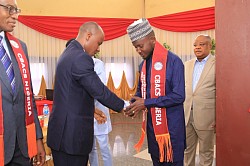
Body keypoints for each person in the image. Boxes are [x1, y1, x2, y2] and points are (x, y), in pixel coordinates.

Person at [47, 22, 125, 166]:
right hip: (71, 139)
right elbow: (99, 90)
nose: (98, 49)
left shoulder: (69, 51)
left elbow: (72, 96)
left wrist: (92, 110)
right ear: (88, 36)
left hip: (62, 136)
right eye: (98, 43)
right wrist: (125, 106)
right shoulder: (80, 58)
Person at [125, 18, 186, 166]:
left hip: (172, 132)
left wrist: (146, 102)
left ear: (152, 40)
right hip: (154, 132)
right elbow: (142, 91)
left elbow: (179, 96)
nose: (138, 50)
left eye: (140, 46)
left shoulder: (173, 61)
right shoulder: (143, 64)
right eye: (135, 47)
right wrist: (134, 104)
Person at [0, 0, 45, 165]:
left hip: (22, 146)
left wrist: (37, 138)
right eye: (10, 9)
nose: (16, 16)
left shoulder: (20, 47)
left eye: (17, 10)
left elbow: (28, 96)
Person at [184, 34, 216, 166]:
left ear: (210, 46)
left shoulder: (217, 64)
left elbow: (221, 93)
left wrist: (218, 117)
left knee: (206, 152)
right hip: (186, 115)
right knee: (186, 150)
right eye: (195, 45)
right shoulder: (187, 64)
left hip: (207, 116)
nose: (197, 47)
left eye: (201, 44)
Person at [89, 57, 113, 166]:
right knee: (90, 148)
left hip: (100, 109)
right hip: (86, 112)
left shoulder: (97, 63)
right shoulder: (77, 63)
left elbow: (100, 87)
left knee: (104, 146)